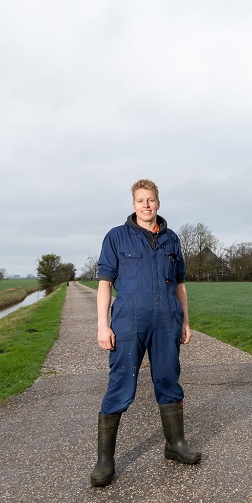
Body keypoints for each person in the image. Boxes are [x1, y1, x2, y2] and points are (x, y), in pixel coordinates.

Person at [90, 179, 201, 487]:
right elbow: (104, 284)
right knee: (121, 383)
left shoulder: (172, 239)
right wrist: (102, 325)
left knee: (168, 379)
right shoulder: (116, 237)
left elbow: (180, 285)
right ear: (133, 204)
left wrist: (186, 321)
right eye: (141, 200)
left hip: (166, 321)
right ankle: (105, 459)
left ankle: (174, 444)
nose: (146, 205)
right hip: (129, 322)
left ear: (158, 203)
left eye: (151, 200)